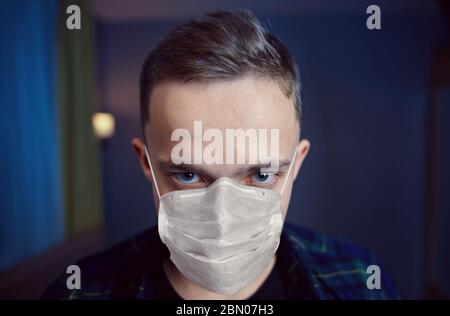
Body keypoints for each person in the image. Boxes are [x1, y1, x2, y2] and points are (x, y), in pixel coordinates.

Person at [42, 10, 398, 300]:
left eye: (260, 175)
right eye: (188, 175)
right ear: (145, 163)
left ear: (297, 163)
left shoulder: (360, 281)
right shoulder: (78, 293)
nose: (223, 217)